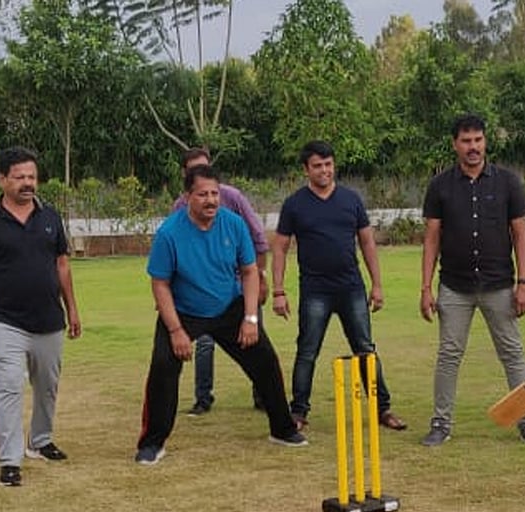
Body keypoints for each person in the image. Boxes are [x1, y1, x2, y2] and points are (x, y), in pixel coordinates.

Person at [135, 164, 306, 465]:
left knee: (265, 360)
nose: (211, 200)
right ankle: (152, 443)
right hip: (184, 312)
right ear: (188, 196)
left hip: (229, 308)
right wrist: (176, 331)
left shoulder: (234, 224)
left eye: (215, 193)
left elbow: (250, 271)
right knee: (163, 367)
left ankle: (283, 428)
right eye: (203, 194)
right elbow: (160, 284)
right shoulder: (169, 233)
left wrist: (250, 318)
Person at [0, 147, 82, 487]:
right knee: (9, 386)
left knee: (47, 385)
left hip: (49, 320)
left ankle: (40, 440)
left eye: (32, 177)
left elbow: (63, 266)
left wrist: (72, 309)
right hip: (4, 320)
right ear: (2, 179)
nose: (27, 183)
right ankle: (10, 461)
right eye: (20, 177)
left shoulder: (51, 217)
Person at [419, 113, 525, 448]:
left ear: (485, 141)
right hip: (454, 286)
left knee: (513, 353)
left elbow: (520, 234)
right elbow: (431, 238)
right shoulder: (440, 186)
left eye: (478, 140)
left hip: (499, 285)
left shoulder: (507, 182)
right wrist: (425, 288)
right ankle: (440, 423)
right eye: (466, 141)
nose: (473, 147)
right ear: (455, 145)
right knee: (449, 354)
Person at [271, 140, 405, 431]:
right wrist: (278, 291)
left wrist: (377, 285)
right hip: (314, 290)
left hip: (351, 288)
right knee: (307, 351)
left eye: (328, 164)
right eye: (317, 165)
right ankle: (298, 412)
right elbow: (279, 248)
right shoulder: (294, 204)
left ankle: (382, 409)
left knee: (365, 349)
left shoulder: (351, 199)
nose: (324, 170)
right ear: (306, 169)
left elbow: (367, 241)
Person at [172, 148, 271, 416]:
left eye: (205, 168)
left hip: (240, 288)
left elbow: (259, 238)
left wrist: (261, 277)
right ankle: (203, 398)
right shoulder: (180, 209)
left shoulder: (232, 198)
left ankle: (263, 396)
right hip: (202, 292)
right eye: (194, 171)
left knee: (254, 340)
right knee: (204, 343)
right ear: (186, 177)